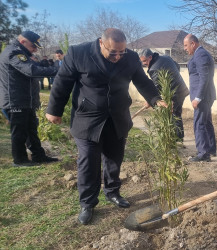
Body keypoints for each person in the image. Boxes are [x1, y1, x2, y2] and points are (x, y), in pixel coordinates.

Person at [45, 28, 167, 225]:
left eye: (122, 52)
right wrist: (54, 109)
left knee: (114, 158)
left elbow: (142, 81)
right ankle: (87, 203)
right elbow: (62, 82)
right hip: (87, 119)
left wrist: (155, 98)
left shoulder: (131, 58)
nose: (118, 56)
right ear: (101, 43)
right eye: (113, 52)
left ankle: (112, 192)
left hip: (118, 117)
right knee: (88, 161)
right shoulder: (78, 53)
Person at [0, 30, 59, 167]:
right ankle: (19, 160)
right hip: (15, 100)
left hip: (25, 100)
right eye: (33, 46)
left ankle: (38, 156)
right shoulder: (14, 53)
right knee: (19, 131)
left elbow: (35, 67)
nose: (34, 50)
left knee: (31, 129)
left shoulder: (23, 54)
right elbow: (31, 71)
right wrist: (60, 70)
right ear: (23, 42)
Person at [138, 48, 190, 140]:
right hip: (181, 89)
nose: (144, 64)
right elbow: (177, 67)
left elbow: (156, 87)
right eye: (142, 62)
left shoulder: (153, 69)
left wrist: (151, 100)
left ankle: (177, 139)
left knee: (174, 115)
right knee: (176, 114)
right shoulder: (166, 58)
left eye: (145, 61)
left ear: (150, 57)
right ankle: (177, 137)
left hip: (173, 94)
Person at [183, 34, 216, 162]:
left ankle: (203, 154)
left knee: (199, 124)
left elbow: (204, 77)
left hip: (202, 97)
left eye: (186, 45)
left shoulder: (200, 54)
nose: (185, 48)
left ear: (193, 43)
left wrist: (198, 97)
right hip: (205, 96)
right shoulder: (200, 54)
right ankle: (210, 149)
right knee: (206, 122)